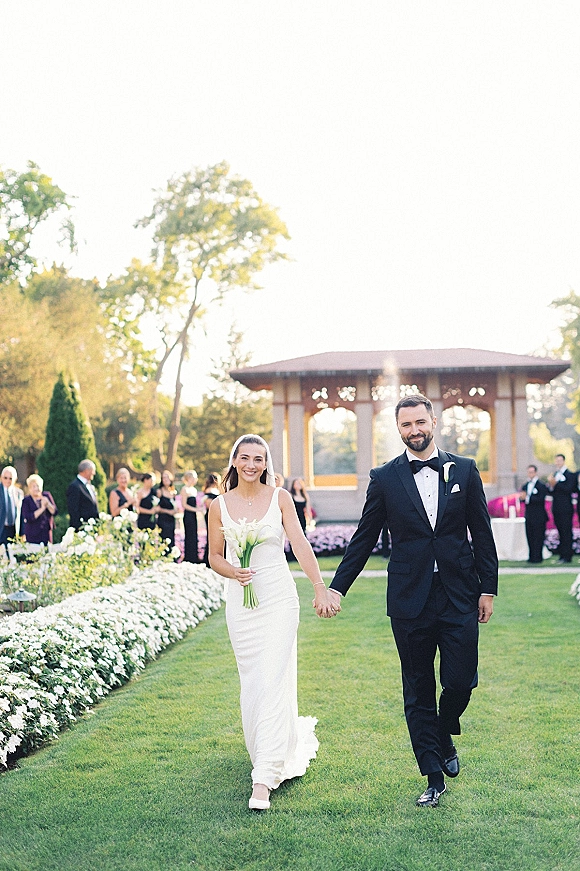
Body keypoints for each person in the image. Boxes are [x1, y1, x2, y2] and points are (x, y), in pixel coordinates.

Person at [328, 394, 498, 808]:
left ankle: (445, 731)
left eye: (420, 422)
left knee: (460, 680)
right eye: (406, 426)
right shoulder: (384, 478)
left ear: (434, 421)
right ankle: (433, 774)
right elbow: (364, 538)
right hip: (409, 599)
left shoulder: (465, 470)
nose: (414, 431)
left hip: (458, 593)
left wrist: (487, 588)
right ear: (399, 429)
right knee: (418, 686)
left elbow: (482, 533)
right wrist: (337, 586)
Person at [208, 434, 335, 811]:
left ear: (267, 463)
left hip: (279, 599)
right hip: (241, 604)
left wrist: (319, 587)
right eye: (245, 458)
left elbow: (299, 543)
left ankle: (263, 776)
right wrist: (233, 571)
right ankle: (265, 749)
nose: (252, 465)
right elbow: (213, 556)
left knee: (273, 678)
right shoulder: (218, 505)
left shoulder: (280, 498)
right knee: (253, 682)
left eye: (259, 458)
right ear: (234, 461)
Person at [547, 454, 576, 564]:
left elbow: (569, 489)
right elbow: (551, 492)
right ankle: (562, 555)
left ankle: (568, 556)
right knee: (560, 531)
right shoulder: (555, 474)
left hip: (566, 508)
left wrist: (556, 484)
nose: (558, 462)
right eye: (556, 460)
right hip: (557, 508)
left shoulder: (569, 475)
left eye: (560, 460)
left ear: (563, 461)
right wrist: (551, 485)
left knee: (566, 531)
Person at [520, 464, 548, 564]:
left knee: (538, 537)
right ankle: (531, 556)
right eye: (529, 472)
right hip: (529, 515)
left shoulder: (541, 485)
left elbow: (541, 499)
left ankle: (538, 557)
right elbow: (522, 498)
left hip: (539, 516)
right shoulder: (525, 485)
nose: (530, 474)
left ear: (535, 473)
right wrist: (521, 498)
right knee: (530, 536)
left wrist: (527, 498)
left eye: (532, 472)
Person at [21, 474, 57, 544]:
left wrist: (48, 504)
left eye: (37, 486)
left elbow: (55, 512)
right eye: (33, 486)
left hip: (46, 533)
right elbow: (29, 517)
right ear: (29, 488)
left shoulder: (46, 495)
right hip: (32, 534)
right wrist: (42, 508)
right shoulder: (26, 500)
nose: (36, 488)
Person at [66, 460, 100, 531]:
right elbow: (73, 510)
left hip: (92, 527)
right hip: (82, 528)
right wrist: (79, 528)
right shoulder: (75, 486)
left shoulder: (89, 485)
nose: (94, 473)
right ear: (87, 471)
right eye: (92, 471)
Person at [181, 470, 203, 563]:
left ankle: (194, 556)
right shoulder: (184, 489)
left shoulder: (194, 490)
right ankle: (189, 557)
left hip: (194, 515)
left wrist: (200, 508)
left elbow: (195, 504)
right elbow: (184, 505)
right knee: (189, 534)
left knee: (194, 534)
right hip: (188, 515)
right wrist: (195, 510)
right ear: (189, 478)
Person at [0, 466, 23, 549]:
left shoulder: (19, 493)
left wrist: (21, 533)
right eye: (5, 478)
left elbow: (21, 514)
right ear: (1, 478)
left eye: (10, 478)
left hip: (13, 529)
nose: (8, 480)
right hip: (1, 529)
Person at [201, 473, 221, 566]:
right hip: (210, 515)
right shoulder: (209, 491)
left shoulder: (217, 490)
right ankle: (208, 559)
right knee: (211, 536)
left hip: (216, 515)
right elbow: (209, 504)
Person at [156, 469, 177, 551]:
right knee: (164, 539)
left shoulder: (173, 492)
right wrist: (168, 511)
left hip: (171, 520)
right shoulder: (159, 491)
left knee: (171, 538)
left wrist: (175, 511)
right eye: (163, 478)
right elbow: (157, 508)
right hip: (163, 519)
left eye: (167, 477)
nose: (165, 479)